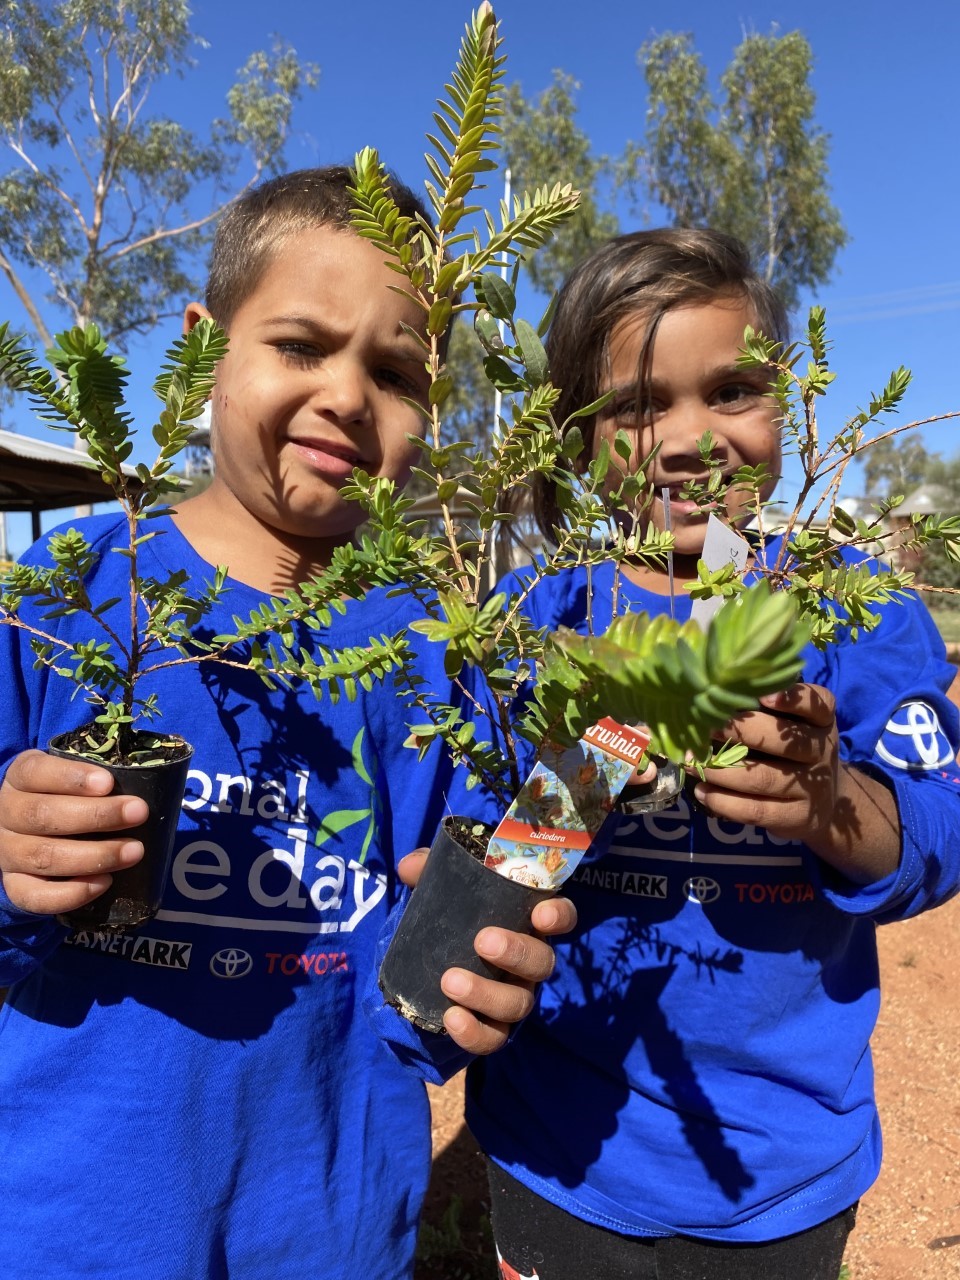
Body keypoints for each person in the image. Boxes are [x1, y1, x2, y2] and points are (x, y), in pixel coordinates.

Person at [0, 166, 574, 1280]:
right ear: (202, 350)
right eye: (303, 344)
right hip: (64, 1228)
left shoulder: (438, 657)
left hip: (328, 1232)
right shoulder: (57, 603)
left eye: (398, 371)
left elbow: (458, 963)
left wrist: (480, 976)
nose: (350, 396)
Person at [461, 228, 960, 1279]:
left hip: (782, 1164)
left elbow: (940, 826)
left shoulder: (848, 610)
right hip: (563, 1149)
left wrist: (834, 802)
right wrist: (592, 740)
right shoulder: (534, 619)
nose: (691, 440)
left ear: (788, 402)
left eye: (731, 389)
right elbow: (498, 853)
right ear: (575, 435)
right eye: (640, 405)